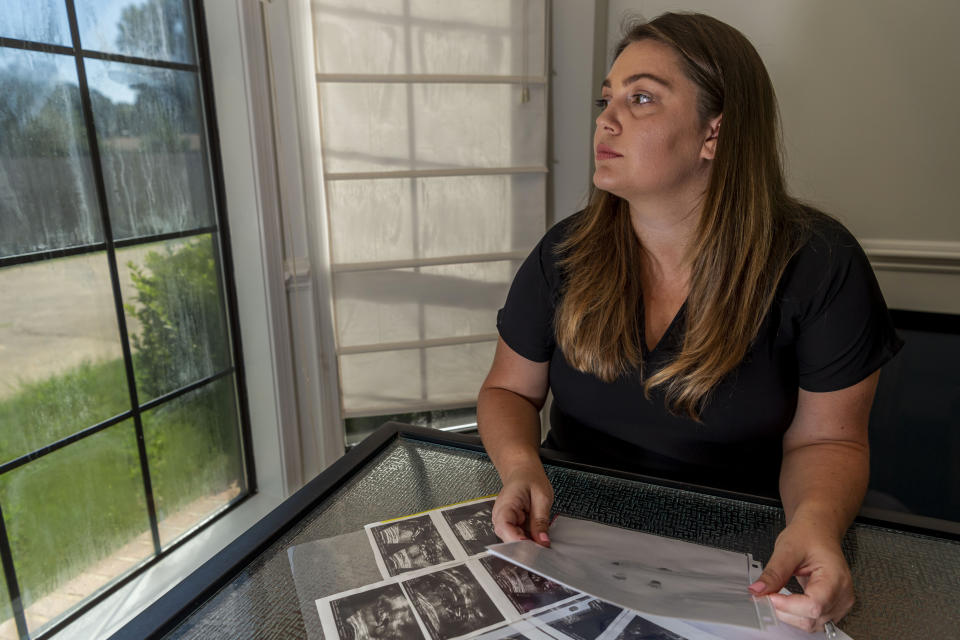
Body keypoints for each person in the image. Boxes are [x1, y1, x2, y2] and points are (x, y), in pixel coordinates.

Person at [476, 11, 902, 634]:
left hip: (745, 553)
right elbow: (508, 390)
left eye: (640, 97)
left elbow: (827, 441)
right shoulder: (565, 251)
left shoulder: (820, 263)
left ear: (714, 134)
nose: (605, 118)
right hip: (570, 534)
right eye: (606, 98)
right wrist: (519, 466)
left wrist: (814, 523)